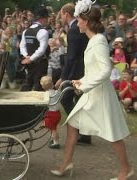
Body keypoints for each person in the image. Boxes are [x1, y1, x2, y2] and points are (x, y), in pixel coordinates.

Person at [50, 2, 133, 180]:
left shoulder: (98, 41)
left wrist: (85, 85)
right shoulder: (95, 40)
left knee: (113, 133)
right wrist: (82, 81)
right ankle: (66, 163)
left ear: (86, 21)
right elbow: (96, 70)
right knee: (72, 124)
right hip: (92, 93)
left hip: (100, 95)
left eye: (79, 20)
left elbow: (105, 71)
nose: (77, 23)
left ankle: (125, 169)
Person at [55, 3, 90, 145]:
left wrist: (63, 77)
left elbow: (72, 56)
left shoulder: (74, 30)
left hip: (76, 71)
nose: (59, 18)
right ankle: (84, 133)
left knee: (66, 98)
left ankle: (79, 130)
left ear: (66, 14)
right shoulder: (77, 28)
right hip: (82, 69)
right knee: (79, 100)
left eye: (61, 15)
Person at [19, 6, 49, 91]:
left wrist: (26, 56)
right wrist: (30, 58)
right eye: (47, 17)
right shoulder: (43, 31)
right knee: (39, 87)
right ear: (42, 18)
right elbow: (42, 49)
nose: (47, 20)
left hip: (29, 63)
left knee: (28, 83)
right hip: (40, 63)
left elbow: (22, 46)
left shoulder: (26, 31)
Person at [40, 76, 61, 149]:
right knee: (54, 128)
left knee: (53, 129)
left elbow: (45, 103)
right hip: (58, 113)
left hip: (51, 114)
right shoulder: (57, 92)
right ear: (52, 84)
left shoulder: (46, 94)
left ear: (43, 87)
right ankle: (55, 138)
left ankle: (56, 142)